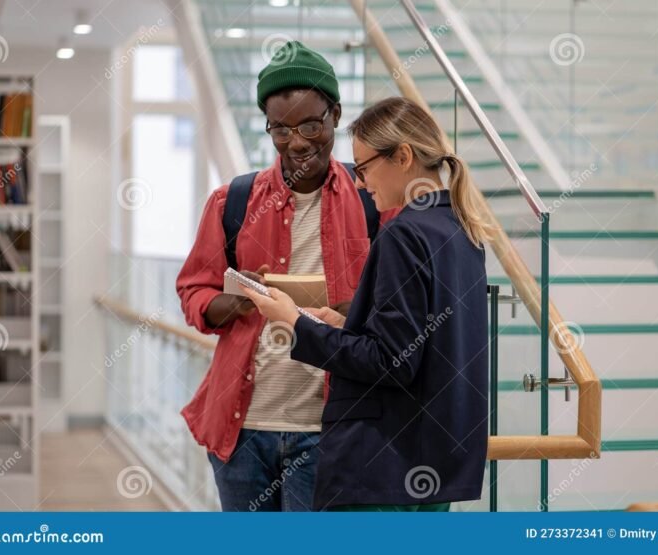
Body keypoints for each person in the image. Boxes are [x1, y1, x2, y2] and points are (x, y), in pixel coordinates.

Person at [242, 96, 493, 511]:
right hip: (431, 469)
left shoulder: (404, 235)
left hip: (382, 469)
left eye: (363, 168)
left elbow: (390, 363)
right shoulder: (461, 232)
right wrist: (343, 327)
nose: (359, 183)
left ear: (403, 156)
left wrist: (295, 323)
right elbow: (422, 349)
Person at [176, 41, 392, 512]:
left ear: (335, 115)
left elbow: (399, 305)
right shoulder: (231, 202)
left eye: (311, 125)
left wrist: (345, 314)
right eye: (280, 129)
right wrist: (231, 303)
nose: (297, 142)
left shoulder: (374, 199)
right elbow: (193, 289)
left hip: (327, 430)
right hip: (241, 431)